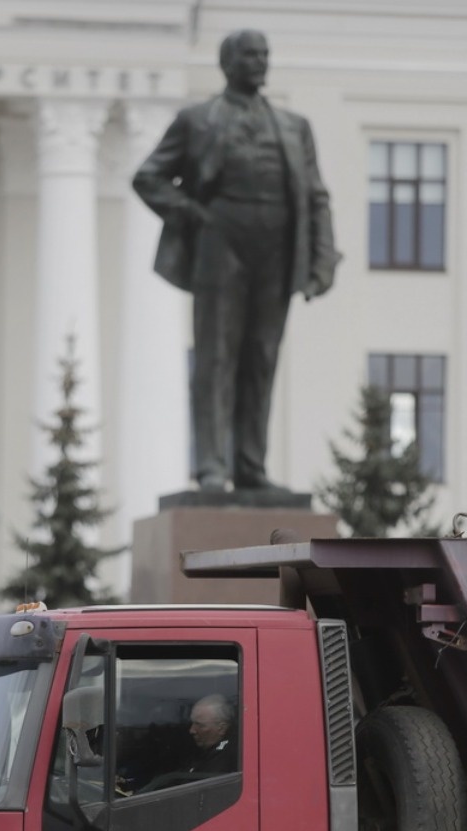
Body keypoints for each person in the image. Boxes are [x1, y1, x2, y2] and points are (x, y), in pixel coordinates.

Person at [132, 28, 341, 492]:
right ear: (227, 63)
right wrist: (192, 214)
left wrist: (323, 259)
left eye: (264, 54)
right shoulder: (197, 119)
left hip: (277, 247)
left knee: (261, 358)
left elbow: (316, 196)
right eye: (250, 55)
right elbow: (148, 177)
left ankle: (250, 466)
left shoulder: (293, 126)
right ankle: (211, 465)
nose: (260, 62)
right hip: (220, 241)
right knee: (215, 359)